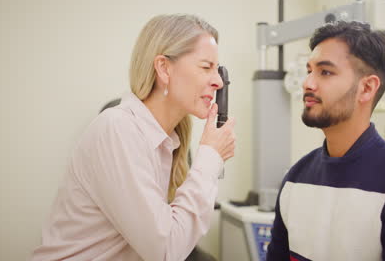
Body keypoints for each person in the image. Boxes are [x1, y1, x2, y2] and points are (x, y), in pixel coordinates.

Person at [31, 14, 235, 261]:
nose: (218, 82)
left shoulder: (165, 140)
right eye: (206, 67)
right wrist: (210, 158)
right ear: (164, 68)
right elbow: (166, 250)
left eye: (218, 69)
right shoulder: (118, 129)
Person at [266, 21, 385, 261]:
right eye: (309, 70)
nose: (307, 83)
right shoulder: (296, 179)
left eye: (325, 72)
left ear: (367, 88)